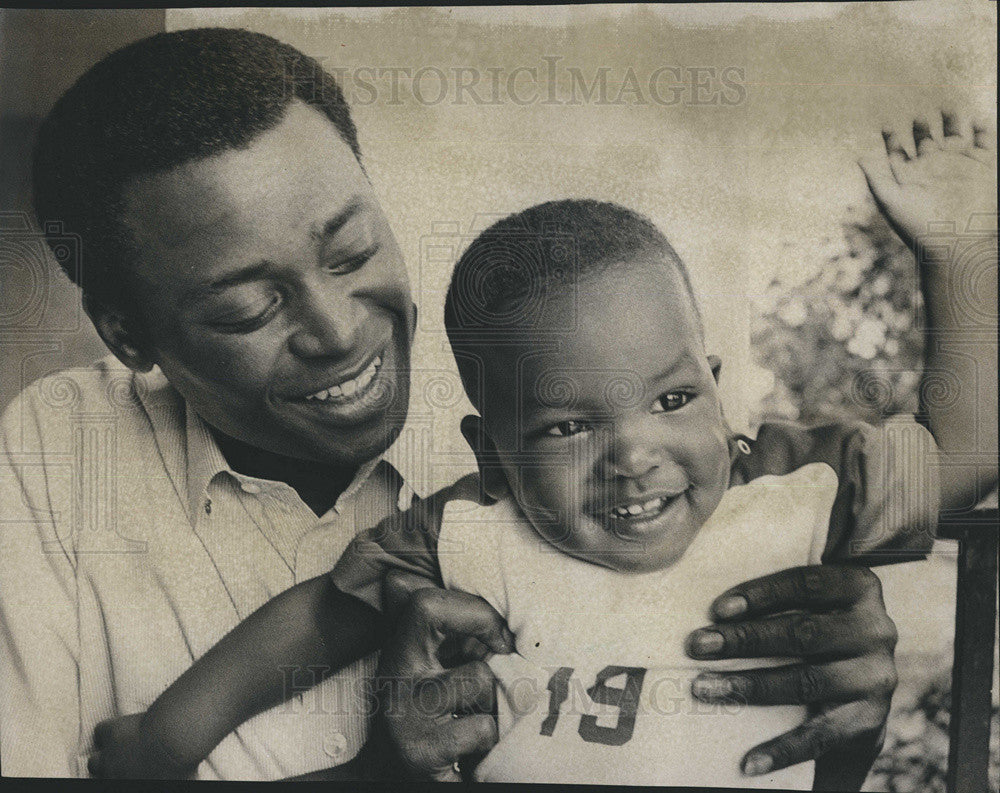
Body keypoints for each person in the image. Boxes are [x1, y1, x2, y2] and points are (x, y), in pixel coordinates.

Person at [0, 27, 914, 782]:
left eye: (353, 251)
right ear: (129, 336)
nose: (339, 330)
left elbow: (946, 461)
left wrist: (838, 722)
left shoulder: (537, 390)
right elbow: (319, 618)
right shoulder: (60, 449)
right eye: (251, 306)